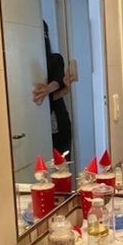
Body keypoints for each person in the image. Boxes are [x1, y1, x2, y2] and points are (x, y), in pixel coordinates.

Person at [33, 21, 72, 155]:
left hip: (58, 123)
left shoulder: (55, 59)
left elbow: (58, 79)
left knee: (62, 162)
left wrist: (47, 89)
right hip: (36, 125)